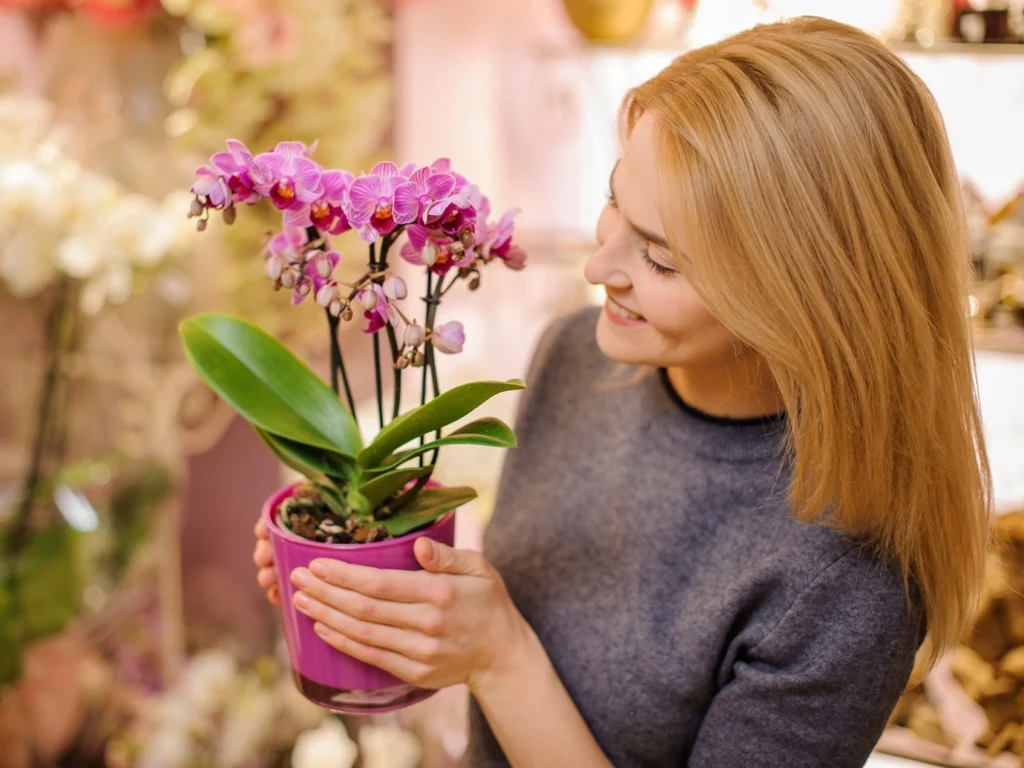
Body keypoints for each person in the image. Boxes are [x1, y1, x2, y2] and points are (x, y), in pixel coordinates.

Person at [253, 16, 992, 767]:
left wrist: (500, 660)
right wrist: (364, 595)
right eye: (615, 202)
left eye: (662, 260)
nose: (600, 266)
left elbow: (516, 655)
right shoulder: (580, 356)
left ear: (804, 297)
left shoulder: (846, 587)